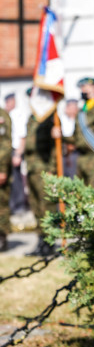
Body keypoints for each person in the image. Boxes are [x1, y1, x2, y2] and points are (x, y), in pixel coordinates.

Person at [24, 89, 57, 257]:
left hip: (44, 168)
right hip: (31, 167)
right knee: (36, 206)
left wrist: (52, 169)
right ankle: (41, 240)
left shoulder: (48, 119)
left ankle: (50, 242)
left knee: (47, 207)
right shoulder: (31, 118)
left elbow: (53, 147)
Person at [0, 107, 12, 252]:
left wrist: (2, 169)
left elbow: (6, 144)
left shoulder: (2, 115)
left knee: (1, 204)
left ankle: (2, 236)